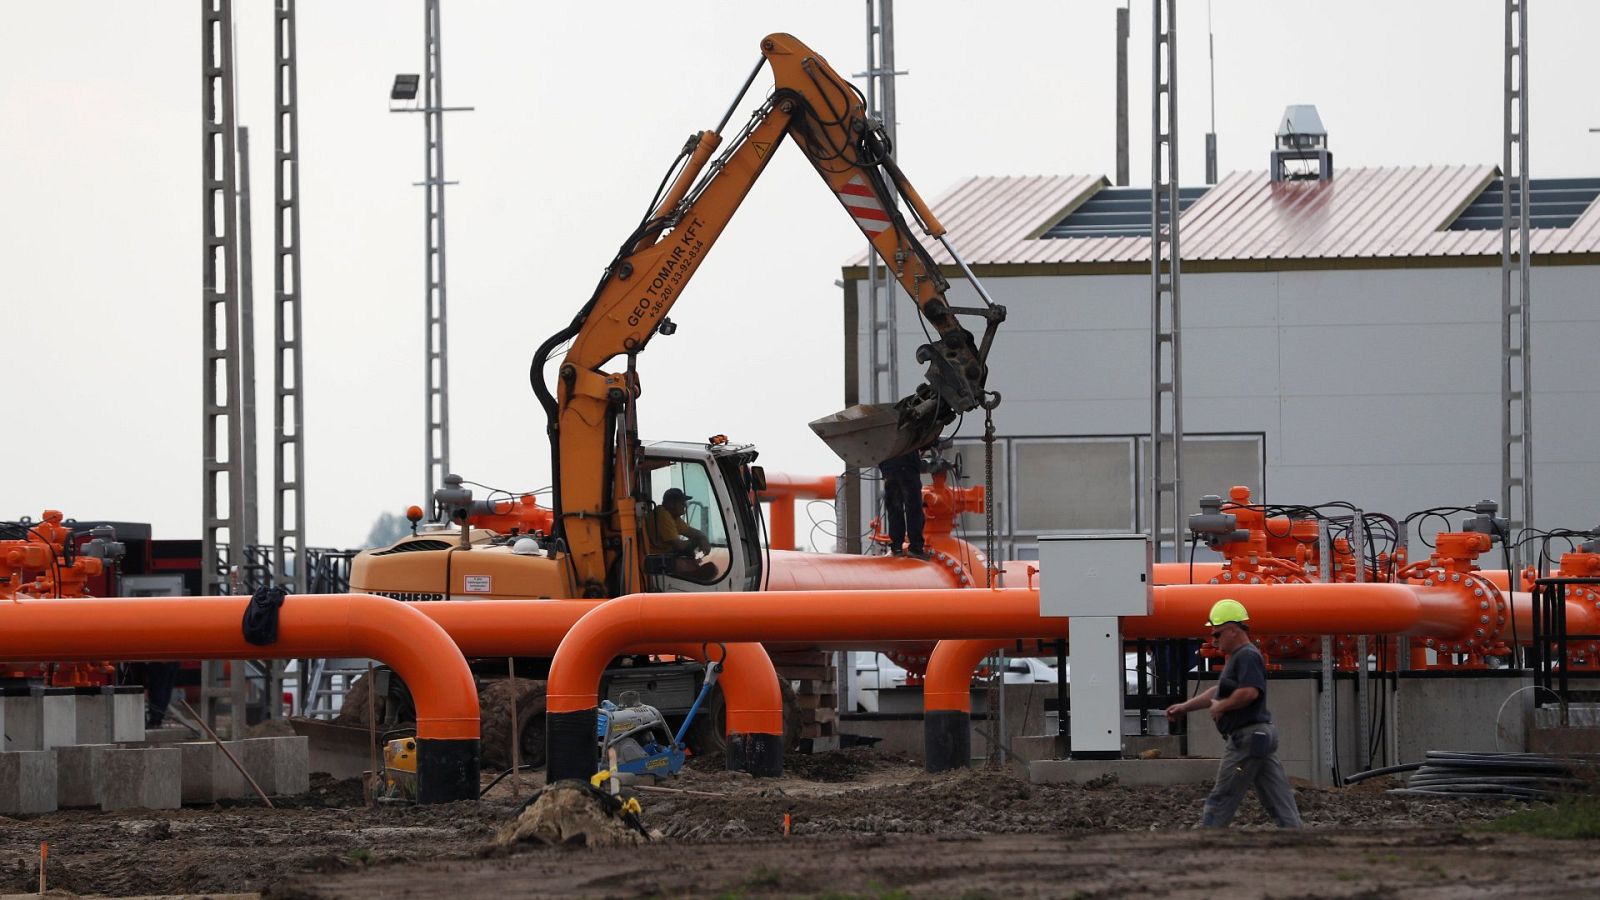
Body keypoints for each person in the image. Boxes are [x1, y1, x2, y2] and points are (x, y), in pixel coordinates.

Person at [1164, 599, 1302, 828]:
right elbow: (1216, 692)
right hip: (1259, 740)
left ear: (1232, 630)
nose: (1213, 640)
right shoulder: (1238, 658)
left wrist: (1222, 706)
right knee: (1278, 796)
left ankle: (1208, 838)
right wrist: (1184, 707)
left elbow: (1249, 692)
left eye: (1217, 634)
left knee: (1225, 793)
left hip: (1247, 740)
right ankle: (1296, 836)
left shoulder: (1247, 656)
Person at [645, 487, 716, 580]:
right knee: (697, 569)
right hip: (654, 561)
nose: (685, 506)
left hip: (665, 557)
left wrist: (703, 538)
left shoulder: (673, 517)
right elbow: (679, 546)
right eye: (682, 503)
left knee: (699, 565)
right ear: (671, 504)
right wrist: (697, 541)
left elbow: (691, 532)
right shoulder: (663, 515)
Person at [877, 449, 926, 557]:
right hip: (908, 465)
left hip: (888, 468)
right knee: (913, 507)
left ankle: (896, 547)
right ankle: (916, 548)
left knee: (895, 508)